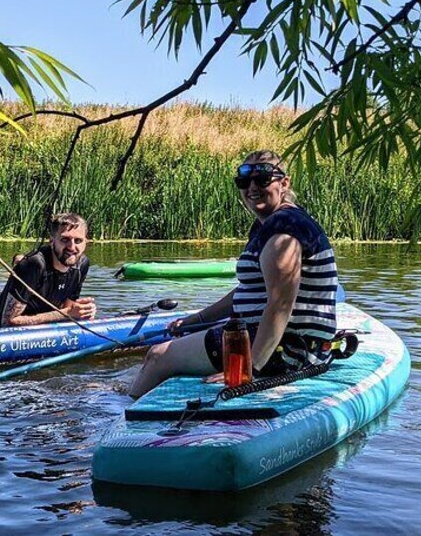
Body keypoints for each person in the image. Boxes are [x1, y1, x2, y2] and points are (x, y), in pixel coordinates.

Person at [129, 150, 339, 398]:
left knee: (158, 356)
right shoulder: (271, 224)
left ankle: (122, 417)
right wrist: (196, 320)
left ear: (284, 182)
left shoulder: (284, 228)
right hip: (287, 343)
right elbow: (250, 290)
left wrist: (251, 368)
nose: (252, 187)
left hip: (289, 350)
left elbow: (281, 303)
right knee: (178, 351)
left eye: (262, 179)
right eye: (244, 180)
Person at [0, 212, 97, 330]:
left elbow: (67, 309)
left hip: (38, 330)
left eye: (78, 241)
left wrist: (83, 311)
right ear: (52, 241)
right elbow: (9, 322)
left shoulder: (81, 265)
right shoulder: (34, 264)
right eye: (65, 239)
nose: (72, 247)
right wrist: (66, 314)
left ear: (86, 242)